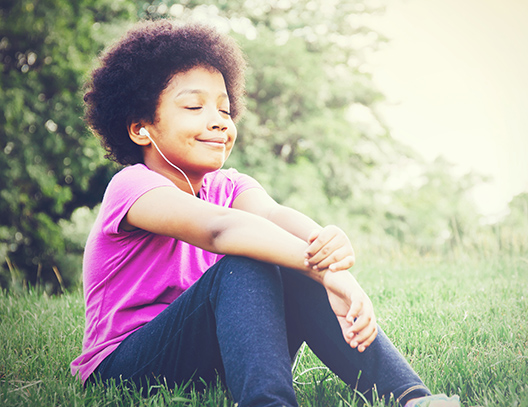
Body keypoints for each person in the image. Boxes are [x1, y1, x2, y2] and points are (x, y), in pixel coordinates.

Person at [70, 19, 460, 407]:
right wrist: (320, 268)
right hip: (125, 367)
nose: (219, 121)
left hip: (217, 354)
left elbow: (274, 218)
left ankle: (413, 398)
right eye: (194, 106)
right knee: (249, 259)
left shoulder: (230, 185)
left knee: (281, 252)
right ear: (141, 129)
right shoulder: (132, 187)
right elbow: (220, 231)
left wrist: (330, 255)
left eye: (225, 110)